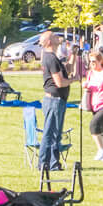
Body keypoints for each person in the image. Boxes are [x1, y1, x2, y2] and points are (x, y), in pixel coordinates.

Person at [37, 32, 70, 172]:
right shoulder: (51, 58)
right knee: (51, 133)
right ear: (50, 41)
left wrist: (73, 55)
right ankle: (47, 163)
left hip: (54, 100)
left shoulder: (51, 57)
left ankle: (51, 163)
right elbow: (60, 82)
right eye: (56, 36)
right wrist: (74, 80)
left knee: (54, 132)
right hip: (54, 100)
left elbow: (63, 72)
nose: (59, 38)